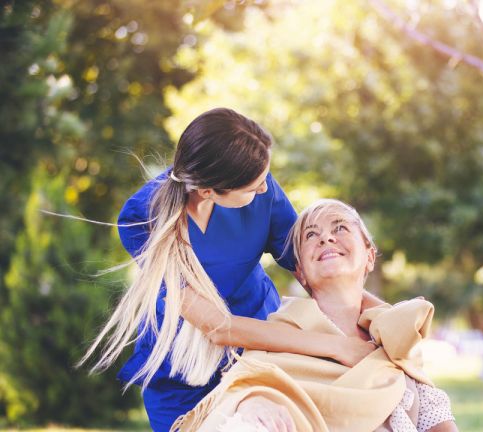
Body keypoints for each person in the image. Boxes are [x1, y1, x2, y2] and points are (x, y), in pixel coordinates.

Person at [78, 108, 378, 431]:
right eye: (253, 188)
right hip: (183, 372)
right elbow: (218, 326)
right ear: (208, 191)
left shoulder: (257, 178)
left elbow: (324, 274)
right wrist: (335, 346)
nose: (265, 190)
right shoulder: (142, 219)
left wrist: (384, 320)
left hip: (259, 356)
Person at [173, 199, 458, 432]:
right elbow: (239, 387)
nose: (327, 238)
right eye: (311, 235)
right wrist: (249, 403)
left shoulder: (395, 343)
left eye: (341, 228)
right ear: (301, 273)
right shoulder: (279, 337)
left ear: (369, 257)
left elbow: (437, 422)